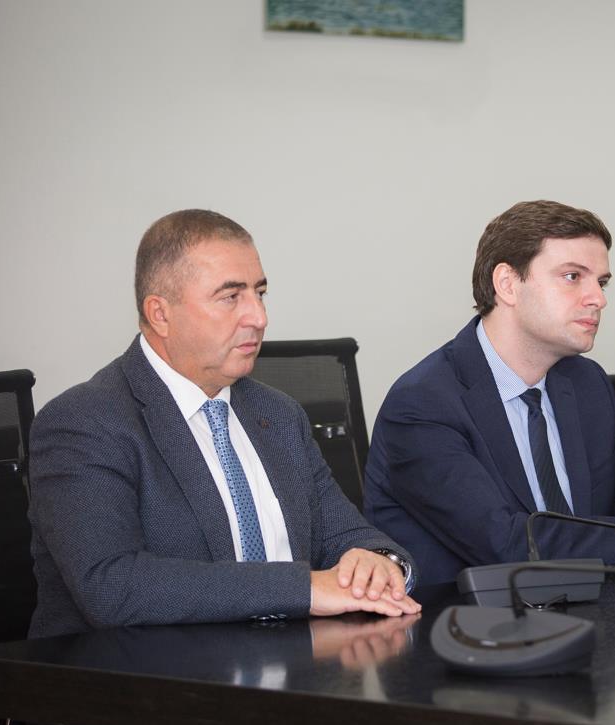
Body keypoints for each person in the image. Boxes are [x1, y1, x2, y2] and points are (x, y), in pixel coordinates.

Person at [28, 209, 421, 641]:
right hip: (140, 675)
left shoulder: (280, 414)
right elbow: (111, 585)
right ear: (160, 314)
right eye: (231, 296)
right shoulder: (84, 422)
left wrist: (379, 564)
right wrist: (304, 589)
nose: (259, 317)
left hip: (294, 665)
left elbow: (348, 535)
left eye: (260, 292)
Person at [364, 200, 615, 586]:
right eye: (573, 276)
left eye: (601, 282)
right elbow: (507, 544)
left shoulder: (585, 383)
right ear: (507, 284)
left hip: (592, 612)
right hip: (462, 619)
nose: (598, 299)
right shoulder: (423, 404)